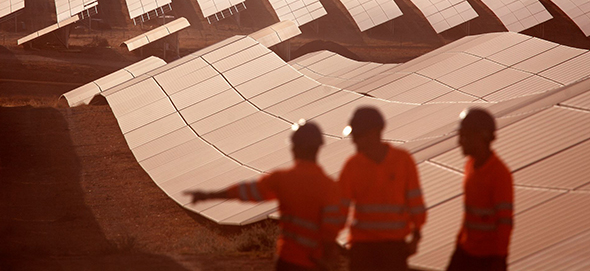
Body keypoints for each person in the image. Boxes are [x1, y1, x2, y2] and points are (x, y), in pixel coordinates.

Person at [186, 120, 345, 271]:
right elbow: (332, 228)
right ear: (318, 148)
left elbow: (247, 191)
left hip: (288, 260)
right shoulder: (330, 187)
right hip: (314, 262)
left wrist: (209, 195)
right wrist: (329, 257)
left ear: (295, 148)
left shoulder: (283, 179)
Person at [338, 106, 426, 271]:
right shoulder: (352, 165)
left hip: (393, 248)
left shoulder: (402, 161)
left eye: (358, 135)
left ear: (375, 132)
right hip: (362, 248)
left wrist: (416, 237)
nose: (354, 140)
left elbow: (416, 202)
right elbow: (340, 209)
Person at [446, 108, 513, 271]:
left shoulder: (499, 174)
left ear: (481, 136)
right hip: (466, 252)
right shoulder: (470, 166)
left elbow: (505, 222)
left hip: (487, 260)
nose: (460, 141)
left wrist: (499, 259)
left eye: (465, 135)